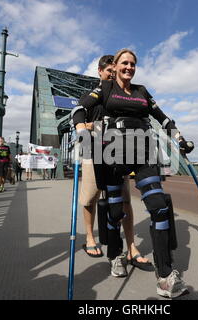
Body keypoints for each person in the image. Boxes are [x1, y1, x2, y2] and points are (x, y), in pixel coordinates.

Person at [72, 49, 194, 298]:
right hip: (112, 153)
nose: (129, 67)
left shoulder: (142, 91)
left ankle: (165, 276)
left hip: (143, 152)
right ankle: (116, 255)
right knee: (116, 210)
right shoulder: (104, 89)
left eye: (132, 64)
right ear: (115, 66)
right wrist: (81, 130)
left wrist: (179, 138)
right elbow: (79, 110)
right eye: (124, 63)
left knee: (159, 206)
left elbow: (164, 119)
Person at [72, 55, 152, 271]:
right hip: (94, 150)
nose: (112, 74)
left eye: (113, 70)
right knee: (91, 196)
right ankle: (90, 237)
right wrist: (87, 127)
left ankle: (131, 247)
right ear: (100, 72)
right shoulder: (95, 95)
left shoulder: (120, 94)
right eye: (108, 70)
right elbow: (78, 116)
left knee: (124, 200)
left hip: (117, 152)